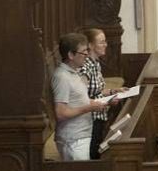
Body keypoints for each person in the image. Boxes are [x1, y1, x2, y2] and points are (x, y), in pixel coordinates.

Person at [52, 33, 109, 161]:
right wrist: (89, 107)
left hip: (81, 135)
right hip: (72, 139)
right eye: (83, 52)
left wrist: (100, 102)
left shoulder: (75, 72)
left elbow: (79, 101)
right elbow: (61, 112)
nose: (87, 55)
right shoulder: (62, 77)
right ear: (71, 55)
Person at [81, 28, 125, 159]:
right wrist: (108, 101)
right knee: (93, 155)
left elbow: (96, 90)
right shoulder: (85, 66)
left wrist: (113, 91)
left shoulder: (96, 63)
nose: (105, 45)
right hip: (90, 119)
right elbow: (83, 98)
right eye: (101, 42)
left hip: (99, 115)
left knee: (98, 151)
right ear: (90, 45)